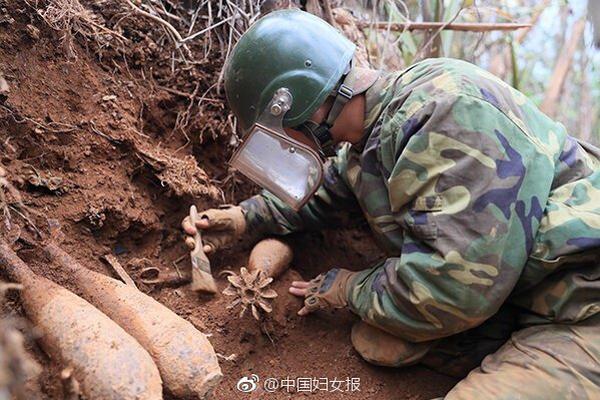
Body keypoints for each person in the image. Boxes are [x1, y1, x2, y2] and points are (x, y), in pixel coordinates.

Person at [182, 9, 600, 399]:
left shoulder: (446, 113)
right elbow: (324, 192)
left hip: (583, 307)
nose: (283, 146)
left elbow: (449, 290)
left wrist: (348, 289)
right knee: (380, 342)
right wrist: (242, 219)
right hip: (526, 297)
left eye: (277, 134)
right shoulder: (375, 135)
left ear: (298, 105)